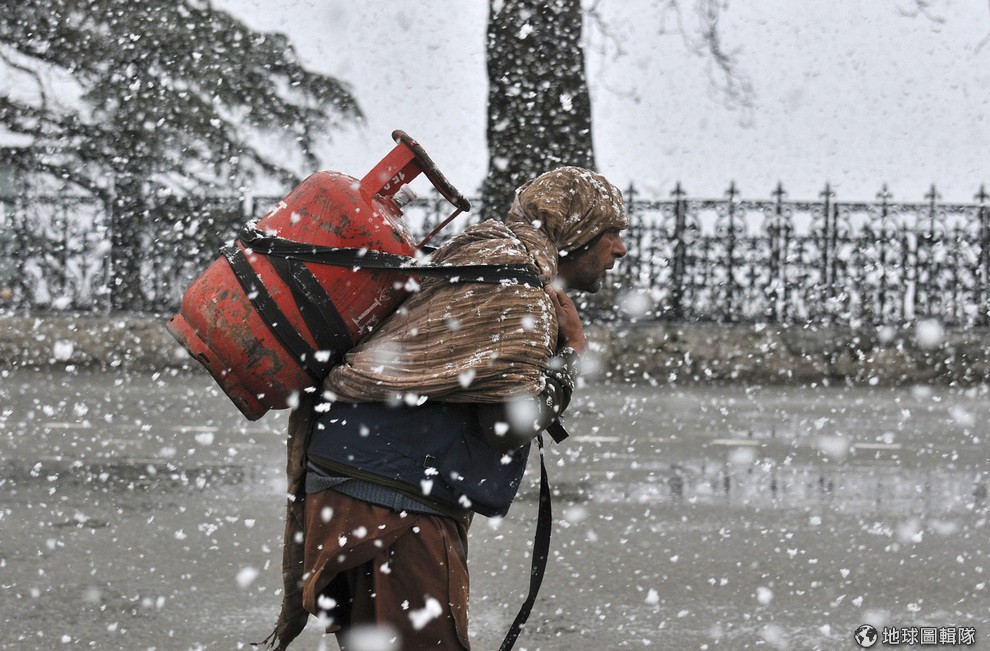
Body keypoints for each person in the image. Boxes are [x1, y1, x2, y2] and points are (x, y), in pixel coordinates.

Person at [261, 166, 628, 650]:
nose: (621, 249)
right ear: (575, 233)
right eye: (612, 234)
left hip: (350, 481)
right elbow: (506, 424)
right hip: (393, 504)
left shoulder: (490, 258)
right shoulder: (520, 290)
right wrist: (571, 356)